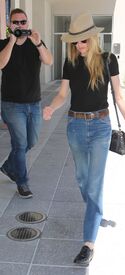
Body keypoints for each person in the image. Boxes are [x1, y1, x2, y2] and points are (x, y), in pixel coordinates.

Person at [43, 12, 125, 266]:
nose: (79, 46)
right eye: (75, 42)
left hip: (100, 127)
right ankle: (95, 210)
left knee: (94, 184)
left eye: (83, 41)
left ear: (93, 38)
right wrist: (52, 106)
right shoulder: (70, 62)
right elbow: (63, 93)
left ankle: (88, 242)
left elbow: (119, 96)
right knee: (82, 179)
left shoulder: (109, 60)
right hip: (75, 125)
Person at [0, 8, 53, 198]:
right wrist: (12, 41)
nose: (20, 26)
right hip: (11, 105)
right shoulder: (4, 44)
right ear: (9, 24)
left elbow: (49, 61)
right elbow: (1, 64)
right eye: (16, 22)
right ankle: (22, 183)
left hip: (34, 103)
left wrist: (38, 43)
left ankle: (8, 167)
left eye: (23, 22)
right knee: (20, 144)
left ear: (27, 23)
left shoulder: (35, 44)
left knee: (31, 141)